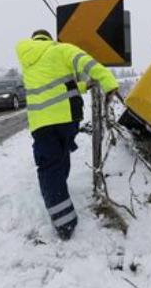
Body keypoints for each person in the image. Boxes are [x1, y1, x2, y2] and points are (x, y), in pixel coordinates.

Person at [15, 29, 119, 240]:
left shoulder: (27, 62)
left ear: (34, 40)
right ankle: (65, 223)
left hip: (41, 123)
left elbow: (54, 87)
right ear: (50, 39)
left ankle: (61, 212)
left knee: (50, 167)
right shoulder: (61, 50)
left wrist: (83, 86)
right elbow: (88, 64)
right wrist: (108, 83)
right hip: (66, 119)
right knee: (60, 160)